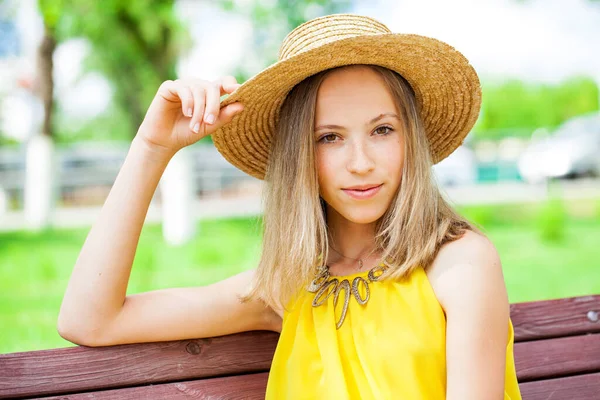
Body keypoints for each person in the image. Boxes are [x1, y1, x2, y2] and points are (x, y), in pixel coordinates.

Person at [57, 14, 522, 399]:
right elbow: (90, 319)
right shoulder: (286, 286)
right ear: (299, 155)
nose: (360, 163)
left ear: (411, 140)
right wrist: (152, 146)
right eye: (329, 137)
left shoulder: (459, 263)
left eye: (383, 130)